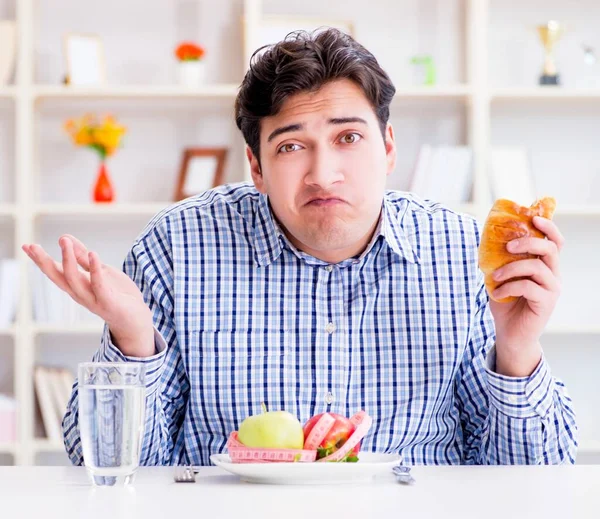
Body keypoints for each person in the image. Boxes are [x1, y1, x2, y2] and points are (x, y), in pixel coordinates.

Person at [23, 28, 577, 466]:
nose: (324, 173)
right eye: (292, 147)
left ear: (387, 146)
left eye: (348, 137)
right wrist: (134, 341)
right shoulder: (176, 247)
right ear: (257, 167)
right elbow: (107, 465)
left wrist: (517, 352)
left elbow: (532, 477)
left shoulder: (462, 254)